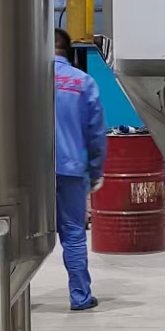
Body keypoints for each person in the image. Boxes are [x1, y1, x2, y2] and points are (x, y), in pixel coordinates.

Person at [54, 28, 107, 311]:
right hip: (71, 169)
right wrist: (96, 171)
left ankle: (8, 295)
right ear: (68, 50)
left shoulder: (25, 81)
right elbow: (96, 133)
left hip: (29, 171)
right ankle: (80, 297)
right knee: (73, 232)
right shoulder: (83, 82)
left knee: (16, 233)